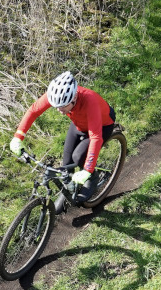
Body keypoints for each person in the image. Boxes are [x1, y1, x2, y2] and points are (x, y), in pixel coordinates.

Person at [9, 71, 116, 208]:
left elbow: (95, 137)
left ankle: (93, 177)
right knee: (66, 165)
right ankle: (67, 193)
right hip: (79, 123)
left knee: (78, 157)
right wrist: (18, 137)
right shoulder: (58, 95)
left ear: (74, 98)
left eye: (63, 106)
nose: (59, 110)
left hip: (101, 125)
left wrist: (87, 170)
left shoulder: (90, 101)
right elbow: (34, 110)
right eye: (56, 106)